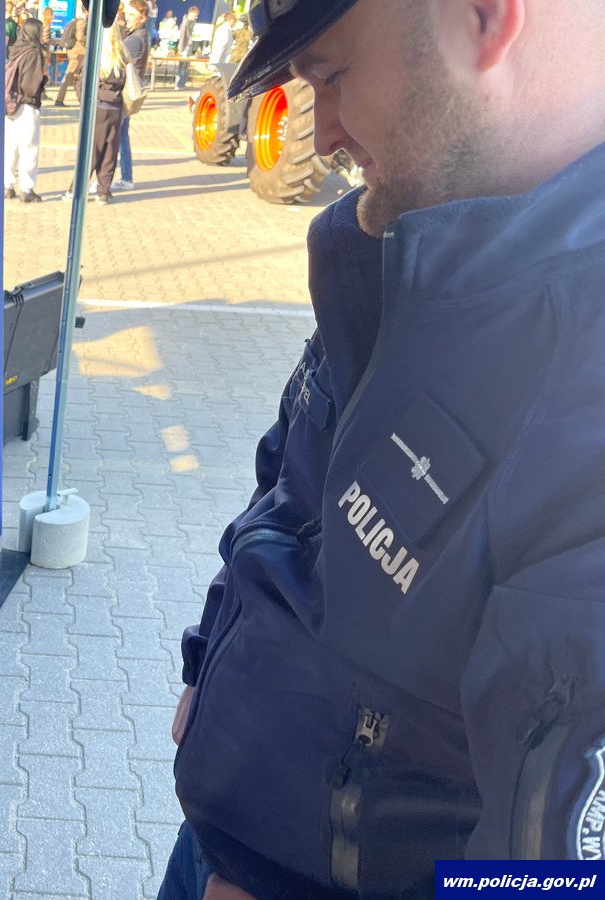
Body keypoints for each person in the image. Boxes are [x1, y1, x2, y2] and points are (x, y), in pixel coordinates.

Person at [161, 0, 605, 897]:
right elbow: (289, 480)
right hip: (223, 837)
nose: (322, 134)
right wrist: (207, 658)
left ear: (484, 17)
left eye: (331, 76)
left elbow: (556, 871)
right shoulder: (405, 240)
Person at [62, 21, 126, 205]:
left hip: (98, 107)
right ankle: (103, 191)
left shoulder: (95, 55)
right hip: (116, 108)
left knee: (91, 151)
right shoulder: (122, 56)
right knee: (110, 151)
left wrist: (85, 103)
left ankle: (75, 189)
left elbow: (81, 83)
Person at [4, 17, 46, 203]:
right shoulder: (34, 53)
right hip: (26, 104)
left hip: (10, 103)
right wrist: (42, 82)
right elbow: (31, 84)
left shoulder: (15, 50)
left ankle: (6, 185)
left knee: (10, 147)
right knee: (29, 147)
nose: (44, 34)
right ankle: (26, 188)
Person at [115, 0, 150, 193]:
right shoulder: (136, 35)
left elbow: (120, 62)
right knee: (121, 137)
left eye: (131, 15)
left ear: (142, 18)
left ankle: (123, 178)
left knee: (118, 138)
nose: (126, 18)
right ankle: (126, 177)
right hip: (126, 93)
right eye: (126, 14)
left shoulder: (136, 39)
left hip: (124, 93)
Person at [53, 3, 85, 106]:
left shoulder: (76, 20)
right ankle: (59, 100)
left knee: (74, 77)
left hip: (75, 52)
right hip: (78, 52)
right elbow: (80, 37)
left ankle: (80, 99)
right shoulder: (82, 22)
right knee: (68, 76)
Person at [173, 5, 198, 89]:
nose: (196, 17)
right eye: (195, 15)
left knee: (186, 66)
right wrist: (180, 49)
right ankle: (178, 84)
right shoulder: (185, 23)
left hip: (189, 46)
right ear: (190, 13)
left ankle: (182, 84)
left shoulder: (193, 23)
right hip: (184, 47)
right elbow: (182, 37)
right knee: (182, 66)